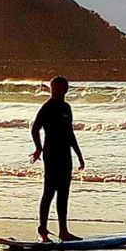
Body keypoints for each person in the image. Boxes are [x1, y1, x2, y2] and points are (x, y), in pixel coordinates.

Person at [30, 76, 85, 242]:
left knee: (63, 193)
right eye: (53, 89)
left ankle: (63, 231)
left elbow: (70, 133)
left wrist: (79, 155)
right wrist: (39, 148)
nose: (56, 92)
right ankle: (43, 231)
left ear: (66, 90)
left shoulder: (66, 108)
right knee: (49, 192)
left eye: (59, 89)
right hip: (51, 154)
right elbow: (35, 128)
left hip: (65, 154)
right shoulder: (47, 107)